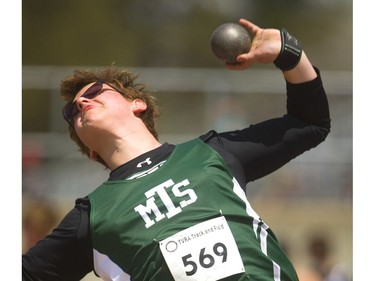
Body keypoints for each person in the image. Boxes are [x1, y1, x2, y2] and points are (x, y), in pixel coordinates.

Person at [22, 18, 331, 281]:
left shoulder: (213, 154)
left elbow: (309, 123)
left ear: (136, 104)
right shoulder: (91, 218)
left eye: (92, 92)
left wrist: (290, 54)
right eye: (71, 113)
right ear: (90, 151)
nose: (80, 103)